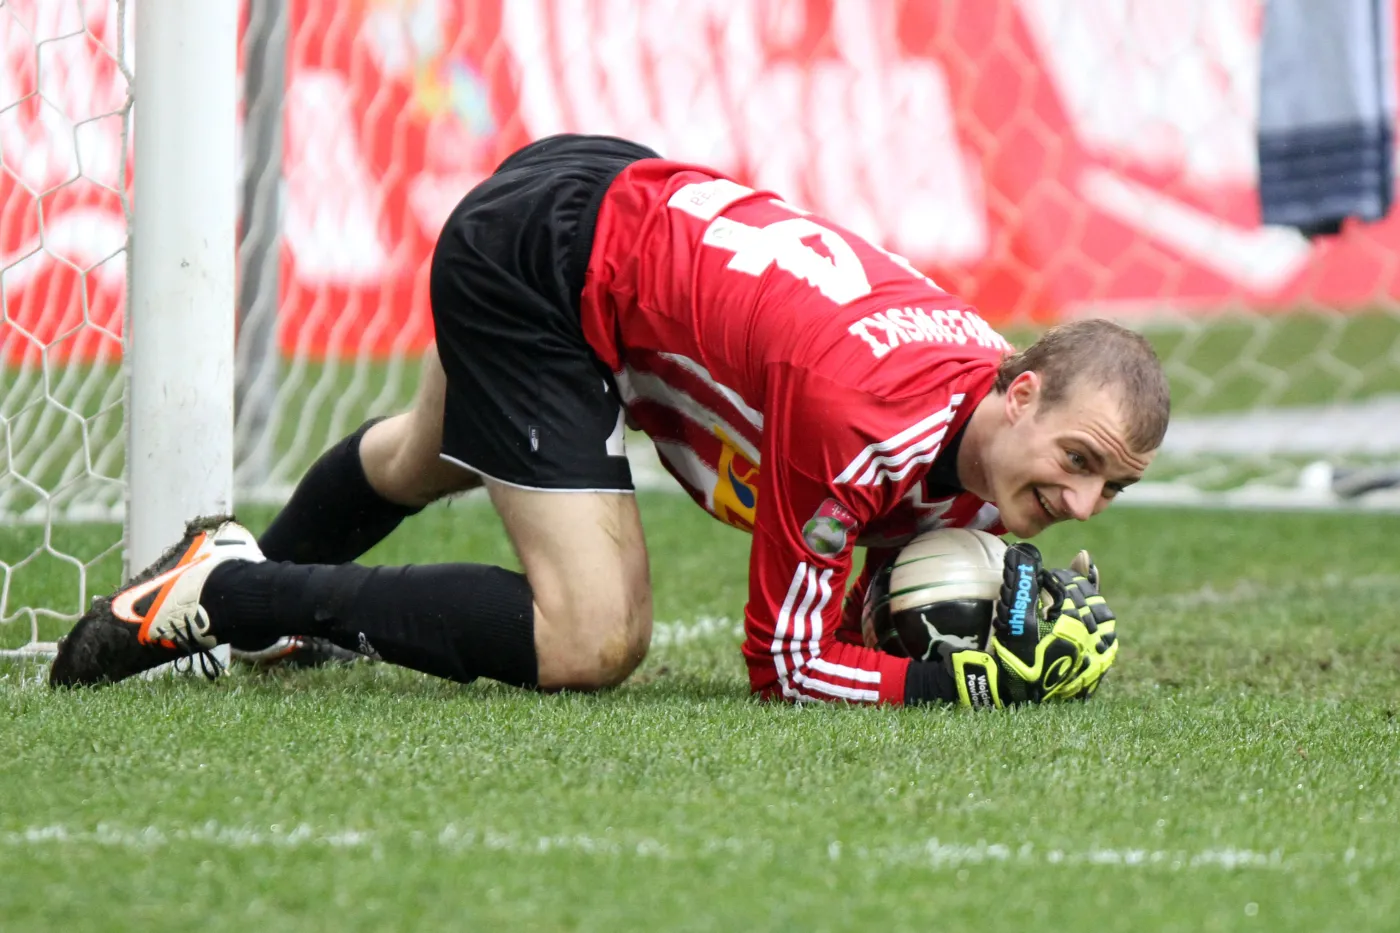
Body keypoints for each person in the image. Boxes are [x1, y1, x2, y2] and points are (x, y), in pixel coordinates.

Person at [49, 134, 1168, 708]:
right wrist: (941, 679)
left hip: (604, 197)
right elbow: (782, 662)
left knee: (424, 455)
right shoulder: (862, 421)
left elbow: (885, 544)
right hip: (543, 265)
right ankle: (214, 594)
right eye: (1074, 462)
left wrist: (902, 610)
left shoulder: (975, 380)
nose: (1077, 505)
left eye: (1107, 490)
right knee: (594, 636)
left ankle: (266, 598)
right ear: (1016, 391)